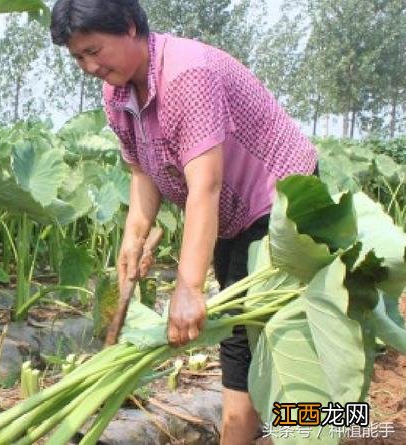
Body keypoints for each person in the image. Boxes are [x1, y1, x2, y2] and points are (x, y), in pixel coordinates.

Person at [50, 1, 317, 443]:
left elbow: (205, 185)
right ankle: (270, 426)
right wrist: (134, 235)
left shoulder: (185, 74)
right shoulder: (116, 93)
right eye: (79, 58)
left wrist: (189, 286)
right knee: (241, 337)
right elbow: (142, 171)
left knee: (281, 342)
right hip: (234, 216)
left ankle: (339, 423)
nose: (89, 66)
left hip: (283, 202)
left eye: (95, 51)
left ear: (131, 27)